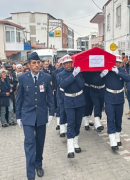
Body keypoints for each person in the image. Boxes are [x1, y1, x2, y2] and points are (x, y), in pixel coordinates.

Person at [16, 52, 55, 180]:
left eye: (38, 63)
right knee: (29, 142)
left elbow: (50, 96)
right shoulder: (22, 78)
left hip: (41, 115)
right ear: (29, 64)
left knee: (40, 142)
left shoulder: (46, 77)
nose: (37, 65)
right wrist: (18, 116)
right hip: (27, 115)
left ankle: (39, 164)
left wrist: (51, 113)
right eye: (34, 63)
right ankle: (30, 174)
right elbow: (19, 98)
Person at [96, 55, 130, 150]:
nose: (117, 64)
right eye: (116, 62)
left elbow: (128, 78)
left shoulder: (122, 70)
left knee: (118, 118)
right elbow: (97, 81)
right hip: (109, 97)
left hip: (119, 97)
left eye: (119, 63)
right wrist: (102, 75)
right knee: (110, 117)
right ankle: (112, 140)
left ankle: (117, 135)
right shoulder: (107, 71)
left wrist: (118, 72)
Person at [59, 58, 85, 158]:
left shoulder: (77, 72)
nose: (69, 65)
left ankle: (75, 142)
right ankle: (70, 148)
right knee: (71, 122)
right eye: (66, 63)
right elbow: (63, 84)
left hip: (79, 99)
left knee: (78, 122)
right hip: (69, 100)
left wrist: (77, 74)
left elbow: (82, 85)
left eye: (70, 62)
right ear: (63, 64)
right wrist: (73, 75)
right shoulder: (62, 74)